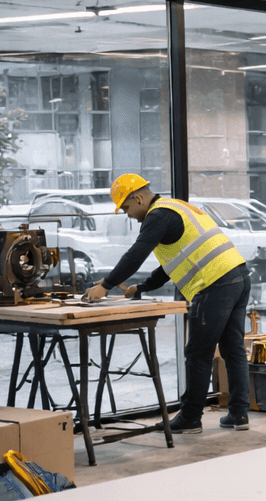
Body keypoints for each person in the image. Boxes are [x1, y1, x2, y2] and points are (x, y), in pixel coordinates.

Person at [84, 174, 252, 432]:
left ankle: (190, 418)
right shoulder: (176, 207)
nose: (129, 215)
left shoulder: (158, 215)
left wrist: (105, 286)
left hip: (213, 283)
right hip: (237, 275)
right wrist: (143, 287)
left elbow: (136, 255)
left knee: (198, 354)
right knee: (233, 350)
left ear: (138, 198)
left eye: (126, 208)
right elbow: (174, 261)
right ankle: (239, 415)